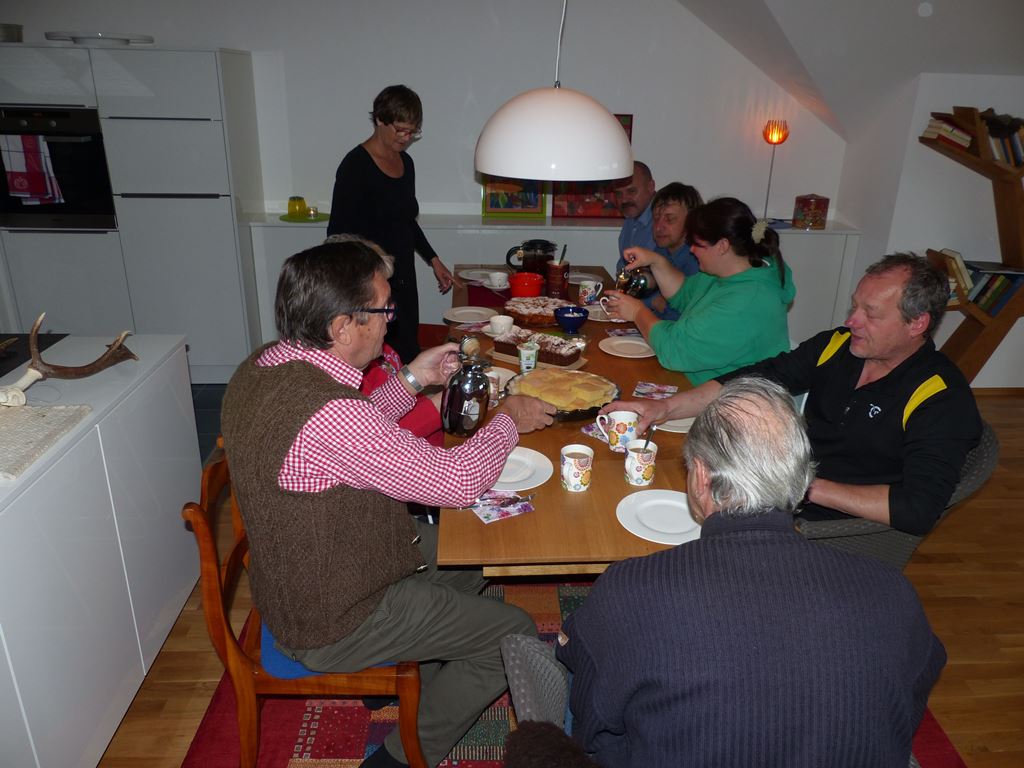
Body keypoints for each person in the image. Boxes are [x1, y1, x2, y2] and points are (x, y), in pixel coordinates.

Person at [220, 239, 556, 768]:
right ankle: (399, 757)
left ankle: (410, 677)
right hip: (331, 617)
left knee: (474, 558)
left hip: (309, 571)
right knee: (510, 634)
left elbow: (353, 427)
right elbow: (458, 482)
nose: (389, 321)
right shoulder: (330, 414)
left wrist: (415, 376)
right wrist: (508, 419)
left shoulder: (264, 365)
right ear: (342, 327)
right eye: (382, 310)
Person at [558, 376, 946, 767]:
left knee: (585, 670)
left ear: (701, 476)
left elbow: (593, 722)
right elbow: (908, 704)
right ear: (802, 479)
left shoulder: (632, 589)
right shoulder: (892, 591)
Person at [605, 252, 982, 536]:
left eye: (871, 313)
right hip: (782, 497)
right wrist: (663, 408)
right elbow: (756, 378)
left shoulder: (941, 397)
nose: (851, 321)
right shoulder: (838, 346)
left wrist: (800, 486)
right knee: (653, 486)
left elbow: (918, 510)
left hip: (832, 529)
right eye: (854, 305)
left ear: (917, 323)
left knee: (678, 521)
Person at [327, 84, 459, 364]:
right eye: (400, 130)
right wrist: (358, 285)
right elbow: (337, 235)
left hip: (404, 274)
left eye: (413, 132)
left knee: (407, 350)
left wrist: (433, 259)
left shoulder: (406, 163)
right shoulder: (355, 166)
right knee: (377, 359)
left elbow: (405, 220)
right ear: (379, 119)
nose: (406, 138)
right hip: (371, 281)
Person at [605, 197, 795, 385]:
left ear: (722, 246)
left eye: (698, 244)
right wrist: (655, 261)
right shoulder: (726, 271)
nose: (692, 250)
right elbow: (684, 294)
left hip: (727, 397)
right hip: (693, 382)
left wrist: (637, 312)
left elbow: (675, 351)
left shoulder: (747, 301)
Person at [618, 182, 703, 320]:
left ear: (691, 222)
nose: (658, 227)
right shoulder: (661, 250)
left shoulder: (698, 260)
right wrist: (653, 301)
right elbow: (635, 292)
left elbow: (681, 316)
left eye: (669, 219)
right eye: (656, 218)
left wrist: (655, 303)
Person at [612, 160, 656, 274]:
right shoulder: (631, 216)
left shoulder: (662, 221)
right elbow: (623, 266)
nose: (624, 200)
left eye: (631, 191)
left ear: (651, 187)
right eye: (619, 194)